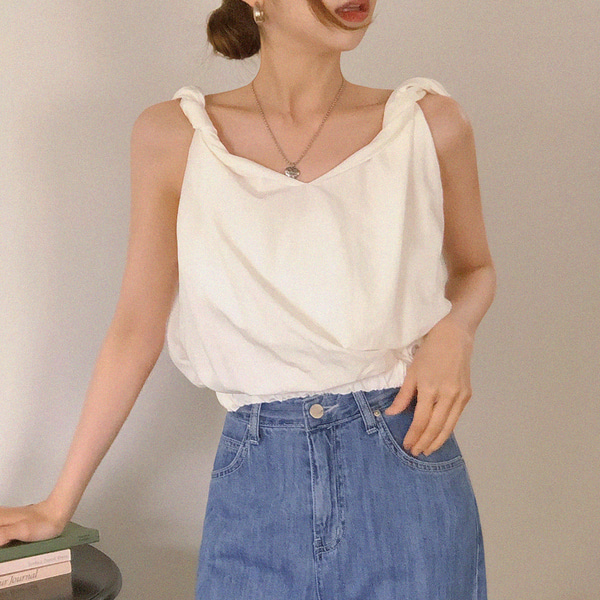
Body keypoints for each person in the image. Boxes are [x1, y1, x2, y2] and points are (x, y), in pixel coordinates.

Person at [1, 0, 497, 598]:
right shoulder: (173, 136)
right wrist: (58, 505)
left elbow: (474, 268)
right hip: (258, 480)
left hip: (403, 464)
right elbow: (136, 327)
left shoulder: (429, 123)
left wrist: (454, 331)